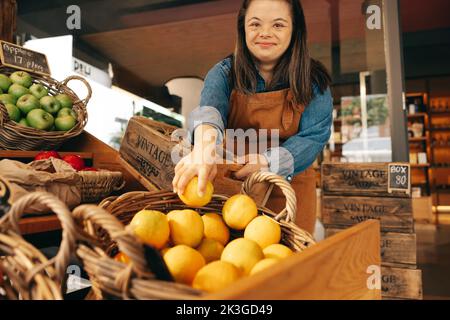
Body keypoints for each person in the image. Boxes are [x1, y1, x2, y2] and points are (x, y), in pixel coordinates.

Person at [173, 0, 332, 235]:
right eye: (255, 24)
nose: (265, 33)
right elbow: (210, 112)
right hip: (235, 186)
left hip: (291, 186)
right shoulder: (224, 73)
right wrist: (204, 149)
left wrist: (267, 162)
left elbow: (313, 137)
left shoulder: (314, 81)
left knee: (291, 262)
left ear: (295, 30)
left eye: (278, 25)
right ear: (243, 28)